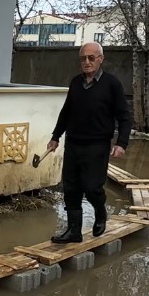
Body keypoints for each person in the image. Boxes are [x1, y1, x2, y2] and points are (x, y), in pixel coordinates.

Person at [47, 41, 132, 243]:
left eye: (91, 58)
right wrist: (55, 137)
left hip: (97, 145)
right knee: (71, 187)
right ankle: (74, 231)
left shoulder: (111, 84)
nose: (86, 62)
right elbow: (66, 112)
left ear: (100, 59)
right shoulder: (76, 83)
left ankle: (100, 213)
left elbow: (124, 116)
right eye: (83, 58)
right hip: (74, 144)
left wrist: (122, 143)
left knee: (92, 187)